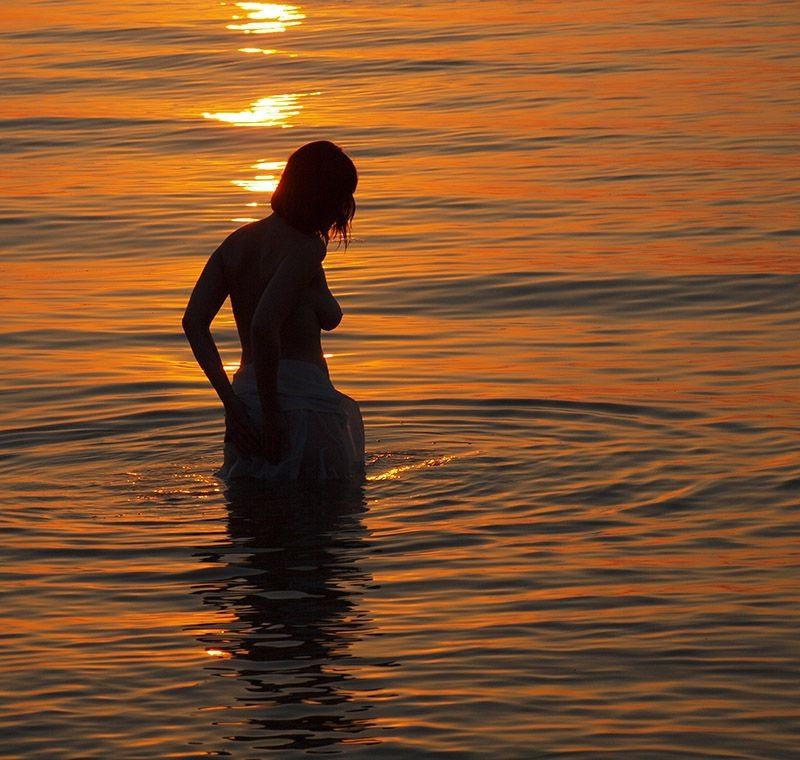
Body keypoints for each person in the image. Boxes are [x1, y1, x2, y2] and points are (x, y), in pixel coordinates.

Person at [182, 141, 364, 480]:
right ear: (324, 198)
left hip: (246, 405)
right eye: (343, 196)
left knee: (251, 523)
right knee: (326, 522)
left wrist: (234, 407)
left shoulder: (234, 243)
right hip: (299, 409)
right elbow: (264, 326)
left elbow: (193, 323)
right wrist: (272, 415)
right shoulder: (307, 248)